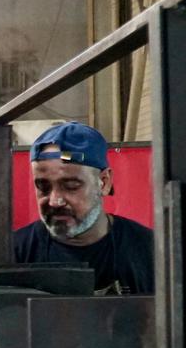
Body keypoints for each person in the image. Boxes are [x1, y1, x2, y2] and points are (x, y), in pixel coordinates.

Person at [12, 121, 154, 295]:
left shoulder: (152, 252)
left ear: (104, 183)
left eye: (71, 186)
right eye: (43, 187)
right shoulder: (14, 253)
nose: (55, 201)